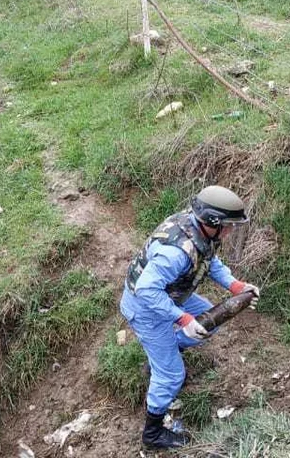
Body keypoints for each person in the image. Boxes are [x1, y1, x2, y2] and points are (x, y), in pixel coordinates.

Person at [119, 185, 260, 449]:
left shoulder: (198, 228)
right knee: (172, 375)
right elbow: (146, 289)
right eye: (228, 225)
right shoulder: (176, 253)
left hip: (171, 296)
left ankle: (165, 352)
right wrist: (183, 319)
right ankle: (153, 434)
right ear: (213, 222)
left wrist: (236, 286)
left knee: (210, 323)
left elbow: (209, 260)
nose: (230, 231)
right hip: (146, 307)